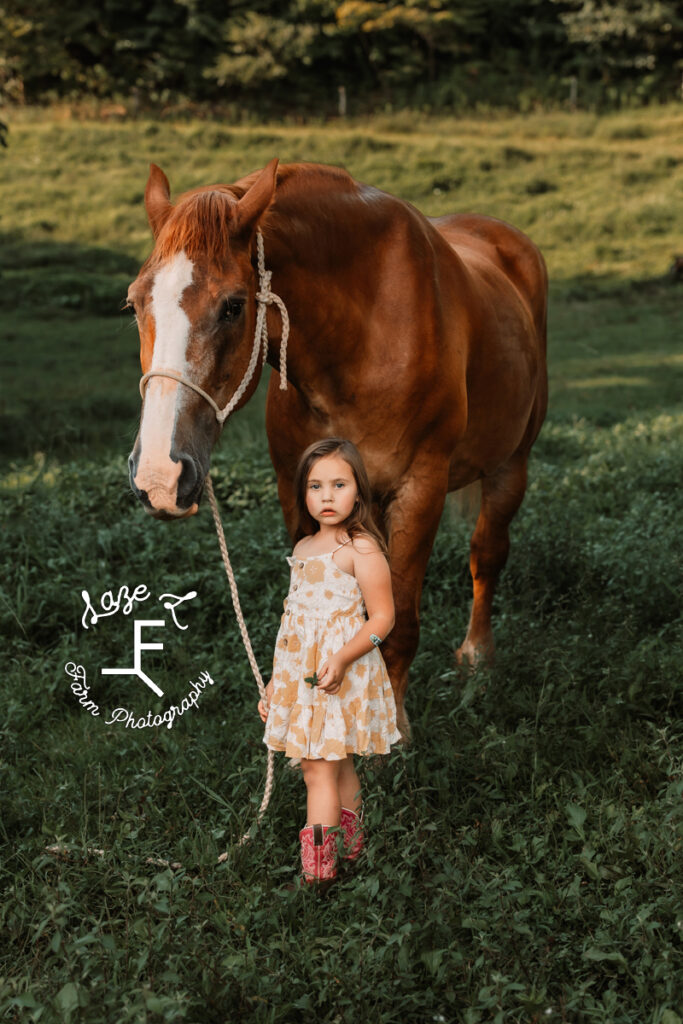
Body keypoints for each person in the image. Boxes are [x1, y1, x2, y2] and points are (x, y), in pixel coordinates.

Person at [258, 437, 400, 884]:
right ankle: (352, 850)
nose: (327, 496)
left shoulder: (360, 550)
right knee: (335, 765)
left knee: (317, 771)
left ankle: (319, 873)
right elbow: (292, 631)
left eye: (339, 484)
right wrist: (274, 685)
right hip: (305, 680)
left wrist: (342, 657)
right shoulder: (302, 550)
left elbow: (383, 619)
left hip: (341, 677)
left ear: (358, 489)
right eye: (316, 486)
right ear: (303, 492)